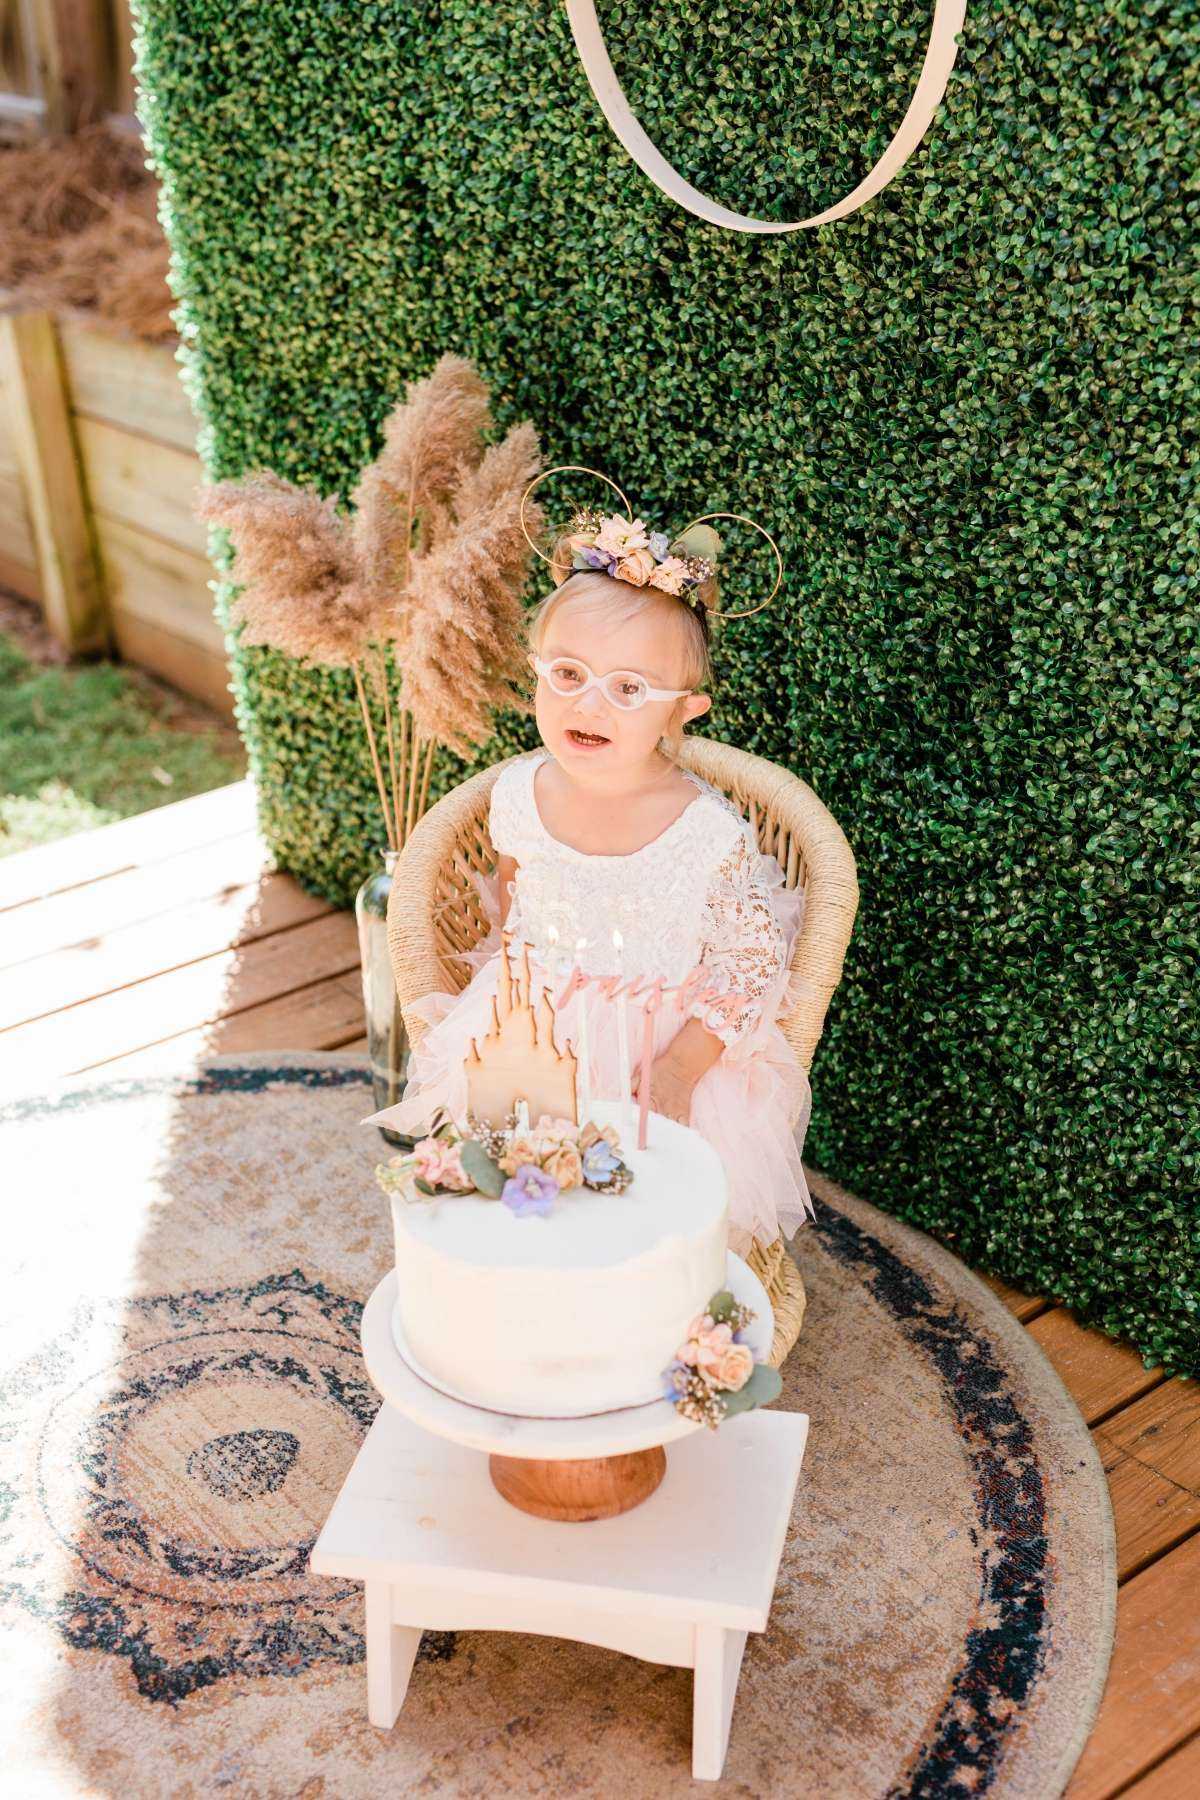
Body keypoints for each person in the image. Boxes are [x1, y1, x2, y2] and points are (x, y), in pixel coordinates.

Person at [365, 495, 815, 1254]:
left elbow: (749, 961)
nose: (590, 704)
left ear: (684, 710)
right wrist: (515, 1010)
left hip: (663, 1045)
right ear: (537, 672)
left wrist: (681, 1068)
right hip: (536, 1027)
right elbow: (515, 908)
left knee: (649, 1218)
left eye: (629, 688)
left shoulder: (706, 830)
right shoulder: (516, 797)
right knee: (518, 1197)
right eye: (569, 673)